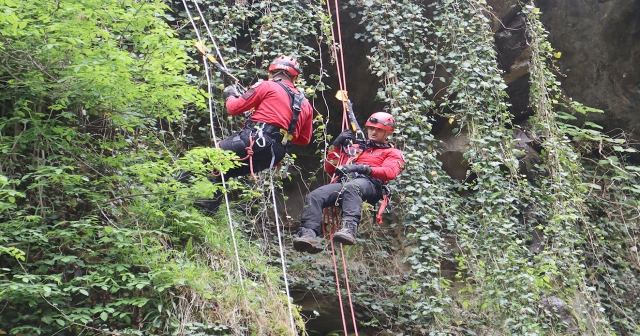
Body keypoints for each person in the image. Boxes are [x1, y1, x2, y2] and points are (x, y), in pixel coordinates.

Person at [182, 55, 314, 213]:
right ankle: (205, 211)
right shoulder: (305, 104)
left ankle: (168, 193)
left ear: (270, 73)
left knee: (202, 159)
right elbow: (304, 139)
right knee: (222, 170)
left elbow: (234, 108)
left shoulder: (266, 86)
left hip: (255, 139)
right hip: (275, 153)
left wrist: (230, 95)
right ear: (295, 78)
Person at [293, 112, 404, 253]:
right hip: (347, 183)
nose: (374, 132)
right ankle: (309, 235)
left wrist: (361, 168)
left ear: (388, 132)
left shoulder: (392, 152)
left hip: (370, 185)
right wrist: (336, 146)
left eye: (379, 129)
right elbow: (330, 168)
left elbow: (390, 172)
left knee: (352, 187)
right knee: (315, 196)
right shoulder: (356, 149)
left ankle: (349, 229)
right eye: (371, 128)